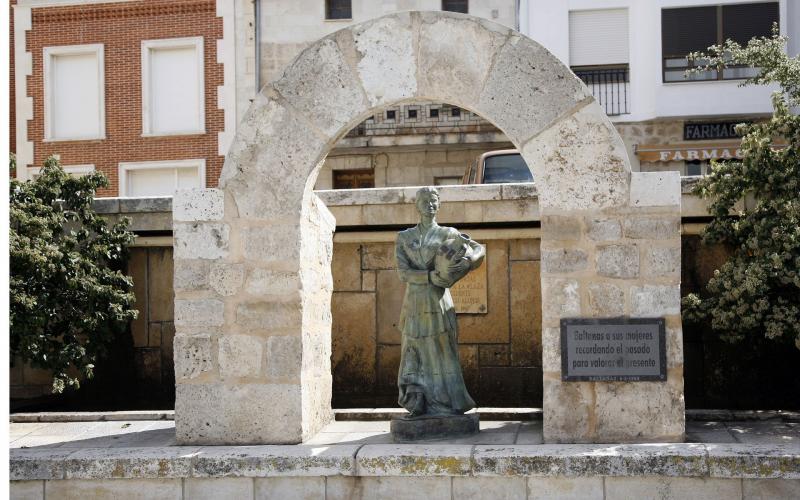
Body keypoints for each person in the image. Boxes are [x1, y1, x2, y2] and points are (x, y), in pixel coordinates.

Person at [395, 186, 485, 417]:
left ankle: (447, 404)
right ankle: (418, 401)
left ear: (439, 205)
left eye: (434, 200)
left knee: (442, 350)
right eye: (425, 201)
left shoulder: (448, 233)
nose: (430, 204)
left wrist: (468, 262)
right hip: (414, 302)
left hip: (438, 300)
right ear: (417, 205)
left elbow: (478, 249)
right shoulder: (405, 237)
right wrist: (428, 276)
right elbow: (403, 273)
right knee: (414, 349)